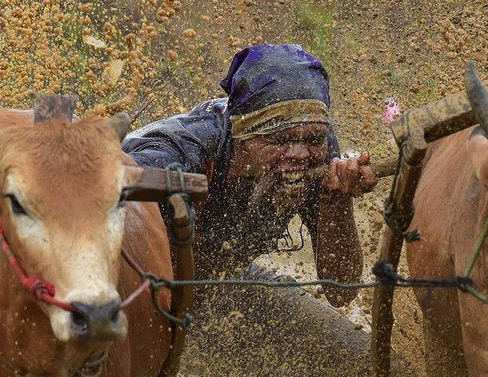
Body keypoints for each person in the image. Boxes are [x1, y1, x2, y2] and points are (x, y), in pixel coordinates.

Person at [122, 43, 378, 307]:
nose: (301, 155)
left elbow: (341, 291)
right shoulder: (181, 154)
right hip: (141, 291)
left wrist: (335, 200)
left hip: (222, 284)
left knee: (344, 344)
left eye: (314, 139)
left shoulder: (319, 155)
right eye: (280, 139)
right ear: (241, 136)